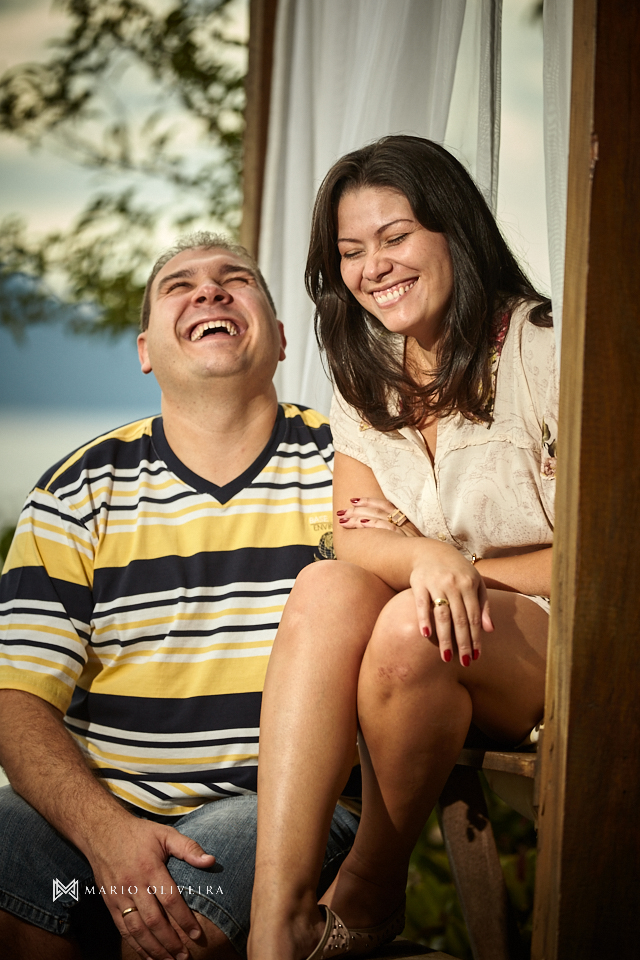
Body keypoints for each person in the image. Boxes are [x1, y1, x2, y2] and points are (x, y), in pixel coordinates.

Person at [0, 233, 360, 960]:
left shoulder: (348, 468)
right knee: (17, 873)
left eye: (235, 280)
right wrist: (108, 835)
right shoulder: (76, 489)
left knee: (174, 925)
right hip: (99, 821)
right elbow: (16, 700)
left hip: (279, 812)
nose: (209, 291)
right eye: (180, 285)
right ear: (144, 350)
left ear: (282, 338)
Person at [247, 136, 557, 960]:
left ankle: (371, 883)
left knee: (405, 624)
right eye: (351, 251)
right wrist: (421, 560)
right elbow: (356, 542)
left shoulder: (545, 352)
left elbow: (605, 559)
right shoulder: (370, 373)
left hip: (565, 633)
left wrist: (449, 565)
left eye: (395, 237)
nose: (372, 266)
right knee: (324, 590)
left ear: (453, 230)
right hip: (436, 632)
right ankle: (277, 925)